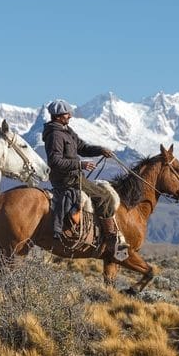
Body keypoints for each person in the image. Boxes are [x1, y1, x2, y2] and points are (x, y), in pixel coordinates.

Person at [42, 99, 120, 246]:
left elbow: (83, 148)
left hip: (75, 176)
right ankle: (110, 238)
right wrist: (79, 164)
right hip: (67, 179)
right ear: (58, 116)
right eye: (67, 114)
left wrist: (100, 150)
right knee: (105, 197)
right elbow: (54, 161)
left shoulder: (67, 131)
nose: (70, 115)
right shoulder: (55, 135)